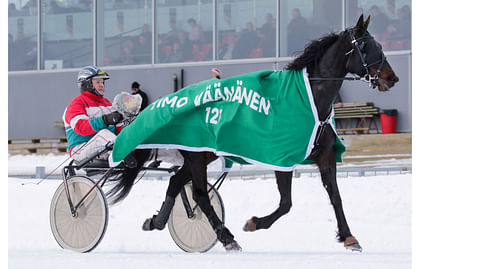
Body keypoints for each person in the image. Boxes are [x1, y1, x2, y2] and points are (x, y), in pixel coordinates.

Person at [63, 65, 135, 167]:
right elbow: (80, 127)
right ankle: (124, 155)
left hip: (104, 147)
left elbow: (119, 130)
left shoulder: (106, 103)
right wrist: (105, 120)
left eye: (102, 82)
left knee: (133, 133)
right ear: (87, 84)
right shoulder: (77, 103)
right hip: (81, 149)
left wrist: (127, 123)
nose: (101, 85)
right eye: (97, 82)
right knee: (103, 134)